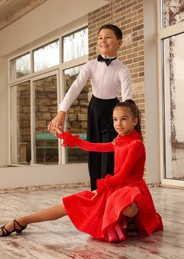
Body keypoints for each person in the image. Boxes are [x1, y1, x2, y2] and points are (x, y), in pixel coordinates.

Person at [0, 100, 163, 242]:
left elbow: (122, 176)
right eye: (115, 120)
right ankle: (23, 220)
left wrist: (102, 187)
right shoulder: (118, 141)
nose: (118, 124)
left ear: (135, 121)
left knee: (124, 205)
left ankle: (133, 215)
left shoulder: (136, 144)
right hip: (115, 188)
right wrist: (66, 137)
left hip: (131, 190)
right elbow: (92, 146)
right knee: (73, 203)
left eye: (124, 119)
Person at [48, 24, 133, 190]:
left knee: (109, 154)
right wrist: (61, 112)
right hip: (94, 109)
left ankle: (109, 191)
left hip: (113, 111)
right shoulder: (91, 65)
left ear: (119, 42)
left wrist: (126, 127)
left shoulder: (123, 70)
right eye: (100, 37)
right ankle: (95, 192)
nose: (103, 41)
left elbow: (128, 99)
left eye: (108, 37)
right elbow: (75, 87)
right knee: (93, 152)